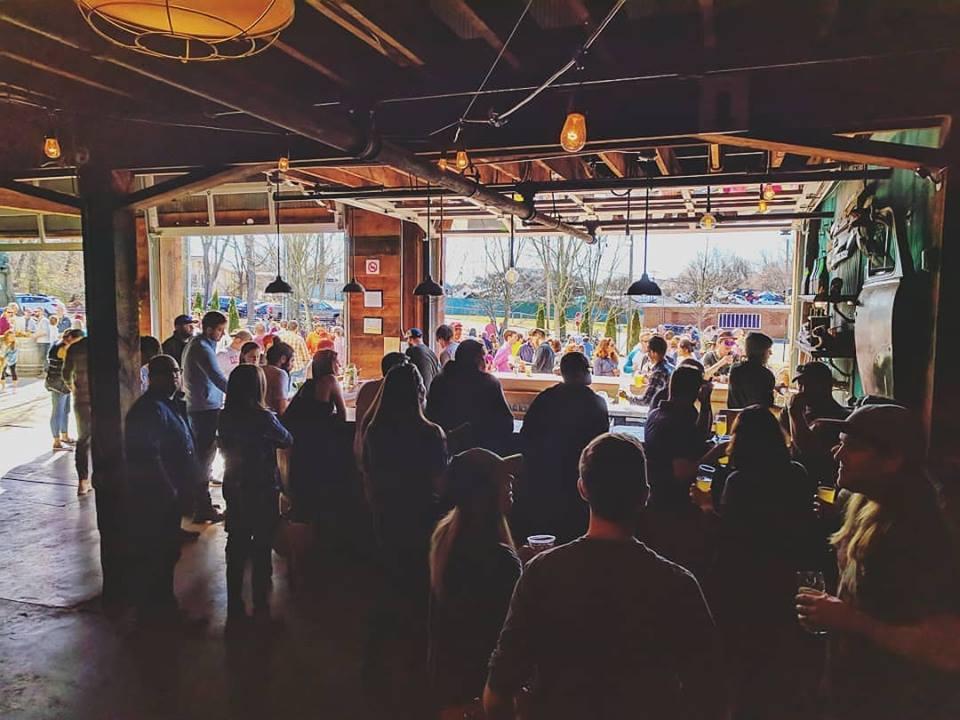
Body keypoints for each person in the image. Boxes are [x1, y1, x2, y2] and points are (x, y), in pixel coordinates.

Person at [483, 433, 722, 720]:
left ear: (582, 489)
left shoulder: (541, 573)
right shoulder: (678, 584)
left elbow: (497, 693)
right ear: (645, 495)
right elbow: (711, 696)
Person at [796, 404, 960, 720]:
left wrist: (850, 620)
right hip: (855, 692)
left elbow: (948, 648)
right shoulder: (864, 503)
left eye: (852, 447)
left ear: (892, 460)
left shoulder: (920, 532)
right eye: (840, 443)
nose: (837, 454)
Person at [697, 406, 819, 718]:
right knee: (779, 655)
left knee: (743, 658)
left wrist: (707, 507)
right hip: (785, 576)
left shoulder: (739, 481)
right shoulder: (797, 473)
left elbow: (730, 534)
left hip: (744, 580)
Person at [362, 363, 449, 715]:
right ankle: (420, 662)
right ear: (419, 393)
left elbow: (369, 479)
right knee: (422, 588)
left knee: (392, 580)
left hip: (386, 515)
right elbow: (440, 483)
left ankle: (379, 660)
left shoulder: (374, 431)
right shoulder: (431, 433)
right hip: (421, 516)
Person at [429, 448, 522, 713]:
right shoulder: (499, 559)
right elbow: (513, 631)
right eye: (501, 478)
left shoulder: (447, 535)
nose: (511, 481)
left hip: (454, 685)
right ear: (483, 493)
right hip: (486, 689)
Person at [124, 355, 200, 624]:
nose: (175, 377)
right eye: (168, 373)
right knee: (157, 553)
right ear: (153, 377)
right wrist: (168, 488)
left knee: (168, 552)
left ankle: (164, 607)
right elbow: (147, 454)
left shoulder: (169, 404)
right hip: (157, 496)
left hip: (171, 493)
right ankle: (157, 612)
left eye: (177, 372)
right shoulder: (149, 409)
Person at [218, 364, 293, 622]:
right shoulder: (263, 418)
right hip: (261, 485)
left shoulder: (225, 416)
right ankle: (261, 603)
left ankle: (234, 603)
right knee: (262, 545)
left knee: (236, 544)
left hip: (234, 483)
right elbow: (287, 439)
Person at [517, 352, 610, 542]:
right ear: (582, 372)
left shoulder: (545, 398)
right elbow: (599, 445)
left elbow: (526, 436)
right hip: (577, 483)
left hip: (543, 482)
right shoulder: (595, 403)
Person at [638, 365, 716, 579]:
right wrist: (714, 454)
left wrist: (706, 404)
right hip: (674, 506)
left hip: (655, 499)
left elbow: (699, 436)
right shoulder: (677, 423)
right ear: (695, 391)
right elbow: (682, 472)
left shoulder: (657, 414)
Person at [282, 349, 347, 523]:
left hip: (302, 442)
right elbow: (342, 414)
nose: (339, 365)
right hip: (320, 441)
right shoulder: (331, 380)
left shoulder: (308, 384)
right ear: (329, 365)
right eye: (336, 362)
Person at [426, 339, 514, 455]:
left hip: (442, 450)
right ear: (477, 360)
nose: (486, 362)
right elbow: (507, 423)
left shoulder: (439, 380)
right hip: (482, 453)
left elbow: (431, 417)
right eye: (483, 358)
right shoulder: (489, 383)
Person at [181, 310, 228, 523]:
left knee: (203, 457)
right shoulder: (201, 347)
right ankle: (202, 507)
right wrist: (241, 392)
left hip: (200, 405)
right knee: (204, 458)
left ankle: (197, 502)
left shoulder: (197, 344)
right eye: (219, 330)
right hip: (204, 408)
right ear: (209, 329)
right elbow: (217, 377)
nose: (222, 334)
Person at [781, 362, 849, 487]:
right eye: (800, 384)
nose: (803, 390)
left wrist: (795, 414)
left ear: (826, 386)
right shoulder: (795, 411)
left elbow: (807, 452)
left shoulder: (838, 417)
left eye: (810, 384)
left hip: (819, 485)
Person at [354, 352, 409, 464]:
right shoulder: (399, 393)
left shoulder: (366, 388)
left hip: (363, 449)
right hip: (383, 453)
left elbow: (359, 426)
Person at [63, 336, 93, 496]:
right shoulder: (109, 345)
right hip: (106, 400)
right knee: (105, 438)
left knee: (83, 440)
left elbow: (65, 374)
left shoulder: (75, 348)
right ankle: (103, 477)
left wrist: (75, 389)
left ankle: (83, 481)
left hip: (82, 399)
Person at [46, 329, 83, 451]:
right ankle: (56, 441)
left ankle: (64, 436)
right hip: (58, 384)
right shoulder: (63, 348)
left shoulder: (59, 344)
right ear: (71, 338)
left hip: (62, 383)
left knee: (65, 410)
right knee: (58, 411)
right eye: (78, 341)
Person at [727, 332, 775, 409]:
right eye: (768, 350)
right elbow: (768, 403)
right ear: (761, 352)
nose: (771, 353)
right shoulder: (766, 375)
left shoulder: (735, 369)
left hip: (734, 415)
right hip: (755, 416)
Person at [637, 335, 673, 405]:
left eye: (648, 352)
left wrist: (627, 397)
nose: (647, 355)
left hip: (661, 409)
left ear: (655, 353)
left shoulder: (658, 372)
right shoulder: (671, 367)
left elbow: (646, 401)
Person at [262, 340, 293, 415]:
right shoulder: (280, 374)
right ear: (283, 359)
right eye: (292, 360)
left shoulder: (259, 369)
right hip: (272, 417)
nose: (293, 365)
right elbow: (281, 409)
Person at [405, 327, 440, 392]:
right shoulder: (431, 352)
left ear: (410, 339)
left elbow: (407, 372)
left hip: (420, 392)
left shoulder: (411, 350)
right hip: (433, 392)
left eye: (407, 339)